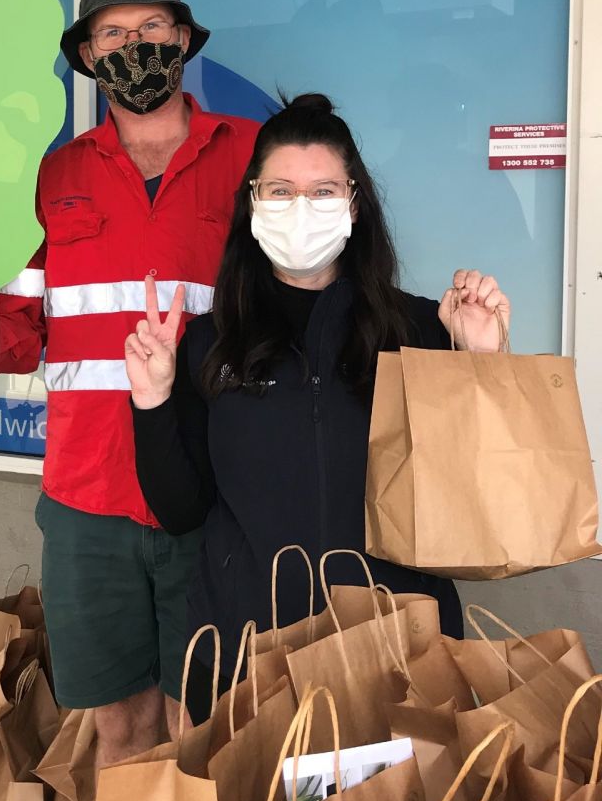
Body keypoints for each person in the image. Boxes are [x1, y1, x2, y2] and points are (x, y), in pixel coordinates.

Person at [0, 0, 259, 766]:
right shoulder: (51, 178)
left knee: (213, 723)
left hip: (216, 491)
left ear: (183, 38)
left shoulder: (254, 158)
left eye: (152, 28)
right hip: (88, 501)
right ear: (87, 56)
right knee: (118, 724)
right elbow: (22, 323)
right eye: (112, 34)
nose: (134, 46)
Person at [124, 93, 510, 721]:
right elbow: (179, 510)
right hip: (245, 656)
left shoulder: (419, 329)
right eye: (279, 191)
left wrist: (480, 360)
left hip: (399, 648)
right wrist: (152, 399)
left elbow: (476, 504)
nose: (300, 209)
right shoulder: (209, 342)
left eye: (323, 191)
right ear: (252, 203)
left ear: (354, 205)